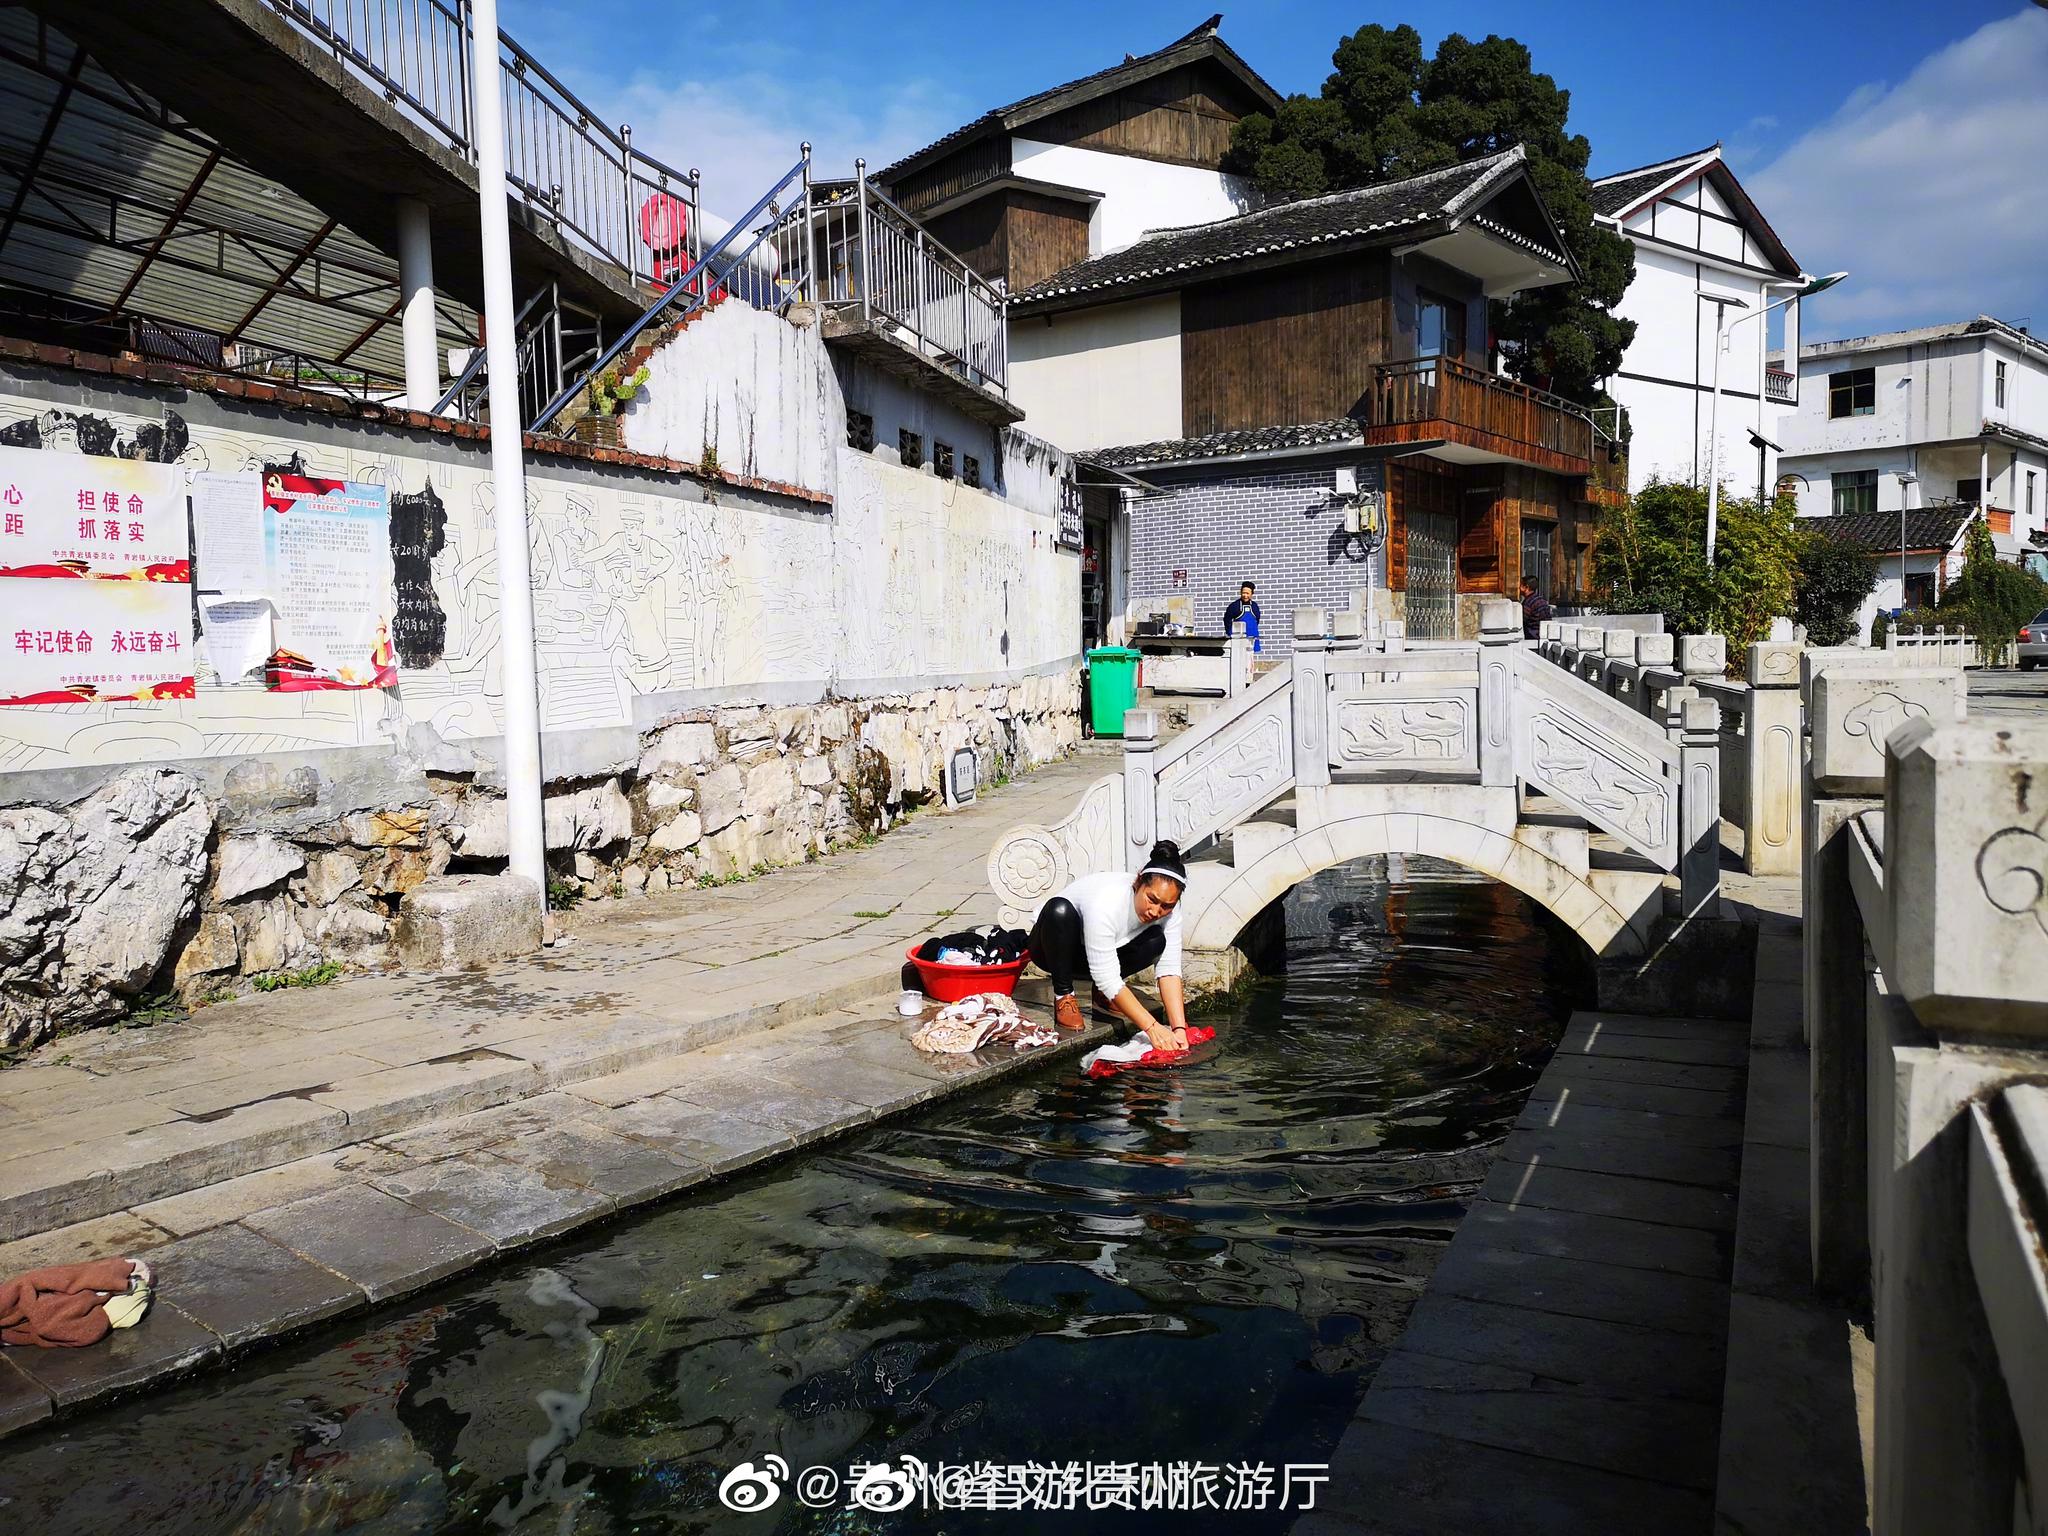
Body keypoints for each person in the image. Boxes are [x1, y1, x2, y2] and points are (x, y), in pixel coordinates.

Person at [1029, 841, 1192, 1051]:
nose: (1155, 911)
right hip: (1053, 952)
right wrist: (1152, 1028)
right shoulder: (1106, 900)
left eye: (1166, 906)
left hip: (1097, 959)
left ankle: (1103, 995)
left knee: (1157, 941)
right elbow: (1106, 976)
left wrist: (1179, 1028)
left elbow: (1169, 971)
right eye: (1152, 899)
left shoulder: (1171, 913)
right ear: (1138, 882)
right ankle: (1064, 996)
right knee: (1059, 909)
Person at [1223, 581, 1262, 653]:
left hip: (1252, 638)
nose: (1245, 595)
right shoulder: (1234, 606)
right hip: (1239, 639)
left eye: (1247, 593)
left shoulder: (1255, 606)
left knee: (1251, 657)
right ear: (1240, 592)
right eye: (1243, 593)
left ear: (1252, 594)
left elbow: (1257, 620)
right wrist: (1230, 634)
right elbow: (1227, 620)